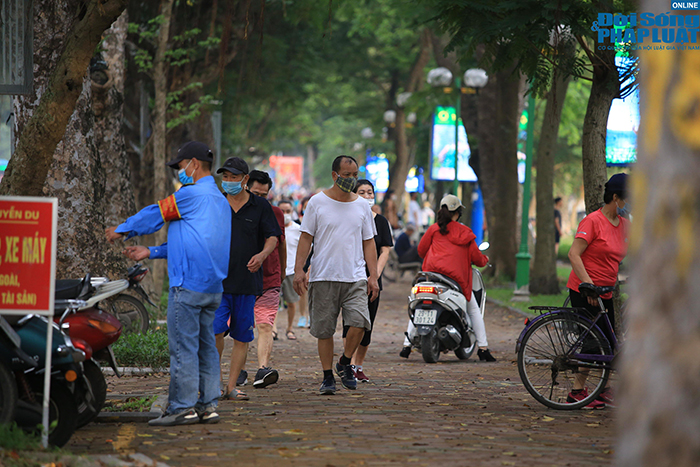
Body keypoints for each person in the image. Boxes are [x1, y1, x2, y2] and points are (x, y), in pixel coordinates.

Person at [106, 141, 230, 426]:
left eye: (181, 166)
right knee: (206, 348)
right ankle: (208, 406)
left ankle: (182, 408)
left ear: (194, 164)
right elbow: (194, 241)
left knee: (183, 349)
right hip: (212, 287)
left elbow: (156, 214)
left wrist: (122, 229)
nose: (179, 172)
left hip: (187, 286)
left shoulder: (190, 194)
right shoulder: (220, 200)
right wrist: (150, 252)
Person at [293, 155, 379, 395]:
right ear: (335, 175)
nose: (351, 179)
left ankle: (345, 362)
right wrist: (299, 270)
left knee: (360, 323)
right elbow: (306, 238)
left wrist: (373, 276)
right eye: (347, 175)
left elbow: (369, 242)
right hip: (324, 276)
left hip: (355, 277)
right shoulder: (317, 202)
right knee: (324, 330)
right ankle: (327, 376)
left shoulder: (362, 206)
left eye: (355, 175)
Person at [214, 158, 281, 400]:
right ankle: (215, 383)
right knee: (215, 332)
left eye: (233, 177)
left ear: (244, 179)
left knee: (241, 336)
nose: (228, 181)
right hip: (217, 282)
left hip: (247, 283)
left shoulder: (260, 206)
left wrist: (262, 256)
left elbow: (272, 237)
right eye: (225, 177)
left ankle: (232, 386)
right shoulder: (216, 202)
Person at [399, 195, 495, 362]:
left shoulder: (433, 229)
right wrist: (485, 259)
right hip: (455, 280)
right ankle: (483, 348)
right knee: (473, 309)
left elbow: (421, 251)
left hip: (430, 276)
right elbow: (478, 259)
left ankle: (406, 345)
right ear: (458, 213)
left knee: (418, 302)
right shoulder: (466, 233)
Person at [566, 173, 629, 409]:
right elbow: (573, 254)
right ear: (616, 198)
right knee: (593, 343)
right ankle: (576, 392)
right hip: (585, 290)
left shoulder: (625, 225)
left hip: (606, 292)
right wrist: (588, 286)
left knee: (608, 343)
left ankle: (602, 389)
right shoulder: (593, 221)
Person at [341, 180, 393, 382]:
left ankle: (358, 365)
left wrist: (374, 275)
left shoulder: (381, 222)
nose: (366, 196)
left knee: (367, 324)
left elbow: (385, 250)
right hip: (350, 278)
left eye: (369, 192)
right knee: (350, 323)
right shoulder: (347, 219)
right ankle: (347, 364)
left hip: (372, 281)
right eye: (361, 192)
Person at [245, 170, 286, 389]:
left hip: (270, 278)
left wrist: (283, 271)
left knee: (264, 325)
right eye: (255, 194)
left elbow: (281, 244)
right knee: (242, 327)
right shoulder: (236, 211)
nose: (260, 199)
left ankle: (263, 368)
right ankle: (239, 370)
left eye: (264, 195)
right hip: (242, 279)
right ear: (246, 188)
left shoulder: (276, 213)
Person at [278, 198, 303, 340]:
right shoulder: (272, 227)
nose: (285, 214)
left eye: (288, 211)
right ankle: (272, 329)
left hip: (291, 271)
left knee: (292, 302)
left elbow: (306, 249)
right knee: (273, 302)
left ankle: (290, 328)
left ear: (292, 211)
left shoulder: (298, 229)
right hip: (275, 271)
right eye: (282, 211)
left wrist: (300, 267)